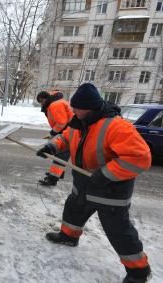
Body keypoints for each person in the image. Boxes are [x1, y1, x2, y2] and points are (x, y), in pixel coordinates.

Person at [36, 83, 152, 283]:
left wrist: (106, 174)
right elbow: (66, 136)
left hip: (110, 189)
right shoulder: (79, 121)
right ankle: (69, 236)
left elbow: (140, 157)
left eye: (77, 108)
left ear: (89, 108)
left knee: (118, 230)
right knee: (74, 209)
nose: (73, 111)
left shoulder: (116, 126)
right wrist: (52, 146)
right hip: (84, 183)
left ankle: (139, 271)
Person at [36, 90, 73, 186]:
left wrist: (53, 133)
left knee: (60, 155)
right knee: (60, 155)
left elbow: (61, 123)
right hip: (69, 130)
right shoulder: (56, 102)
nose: (41, 104)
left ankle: (52, 179)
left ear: (44, 99)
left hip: (70, 131)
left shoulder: (55, 105)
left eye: (41, 102)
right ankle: (58, 174)